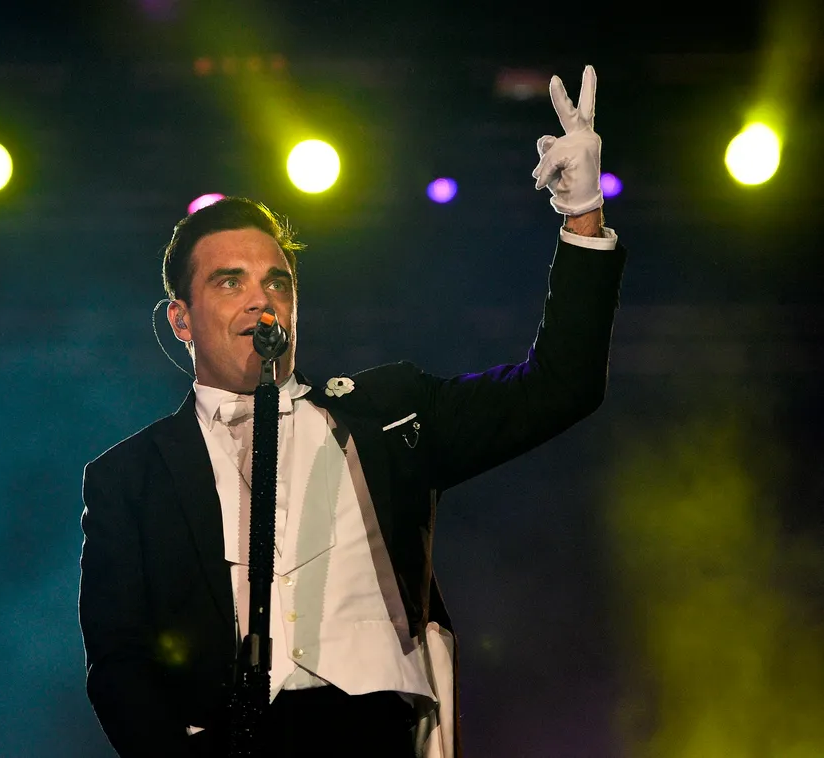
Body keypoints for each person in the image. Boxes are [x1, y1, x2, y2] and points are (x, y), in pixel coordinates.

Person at [79, 65, 625, 757]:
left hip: (372, 732)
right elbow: (119, 662)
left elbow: (561, 386)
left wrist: (581, 215)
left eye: (277, 280)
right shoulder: (129, 476)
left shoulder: (387, 414)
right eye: (230, 282)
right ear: (181, 320)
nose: (261, 299)